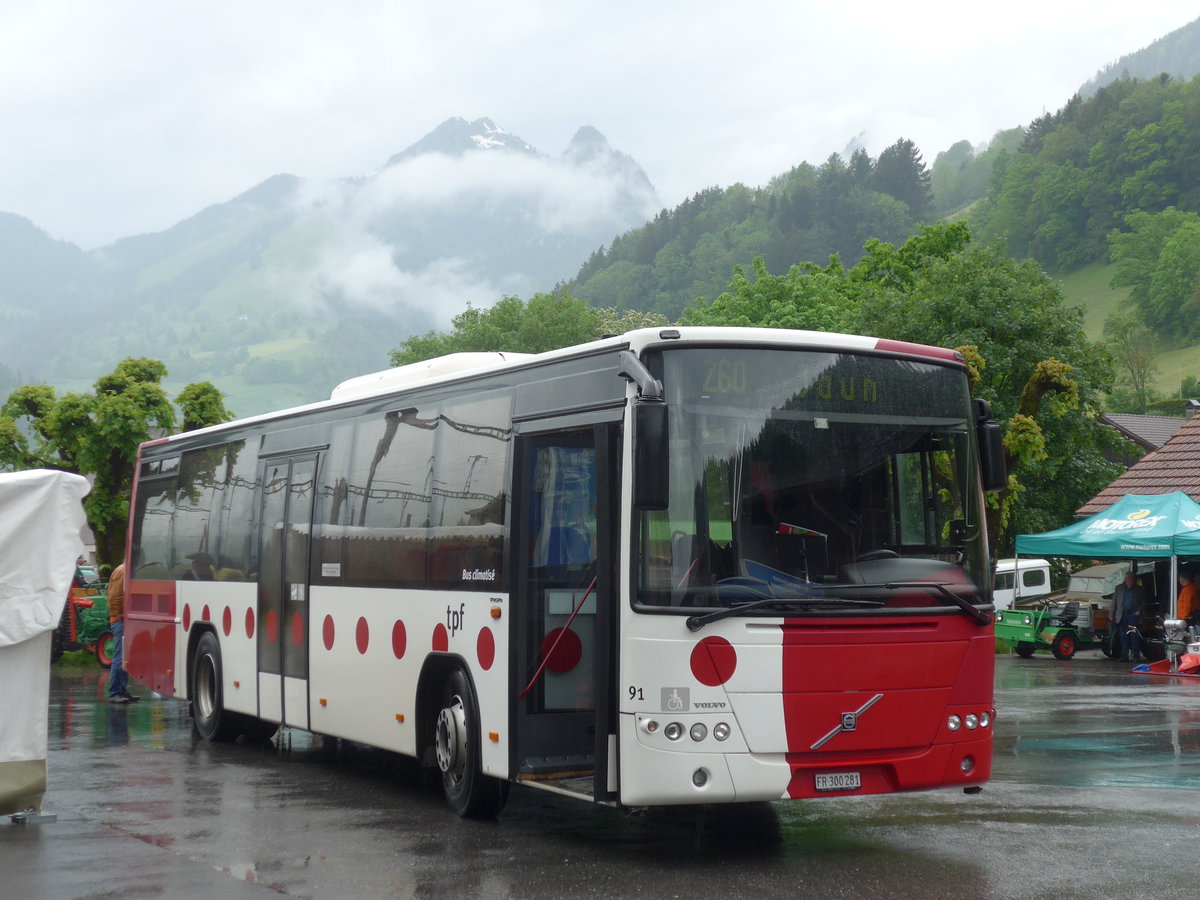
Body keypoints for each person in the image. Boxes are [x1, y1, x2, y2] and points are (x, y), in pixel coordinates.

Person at [105, 563, 139, 704]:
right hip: (121, 619)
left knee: (125, 657)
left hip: (122, 619)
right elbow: (116, 597)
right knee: (120, 656)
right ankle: (114, 692)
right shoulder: (123, 571)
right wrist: (123, 616)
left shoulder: (123, 569)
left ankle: (121, 690)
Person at [1112, 571, 1145, 663]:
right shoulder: (1119, 588)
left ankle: (1136, 657)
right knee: (1123, 637)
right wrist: (1111, 615)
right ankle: (1124, 656)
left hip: (1133, 616)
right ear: (1125, 579)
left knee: (1134, 636)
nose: (1130, 580)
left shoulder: (1139, 589)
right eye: (1128, 578)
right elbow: (1114, 602)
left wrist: (1139, 611)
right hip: (1122, 616)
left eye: (1131, 578)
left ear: (1134, 580)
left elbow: (1143, 602)